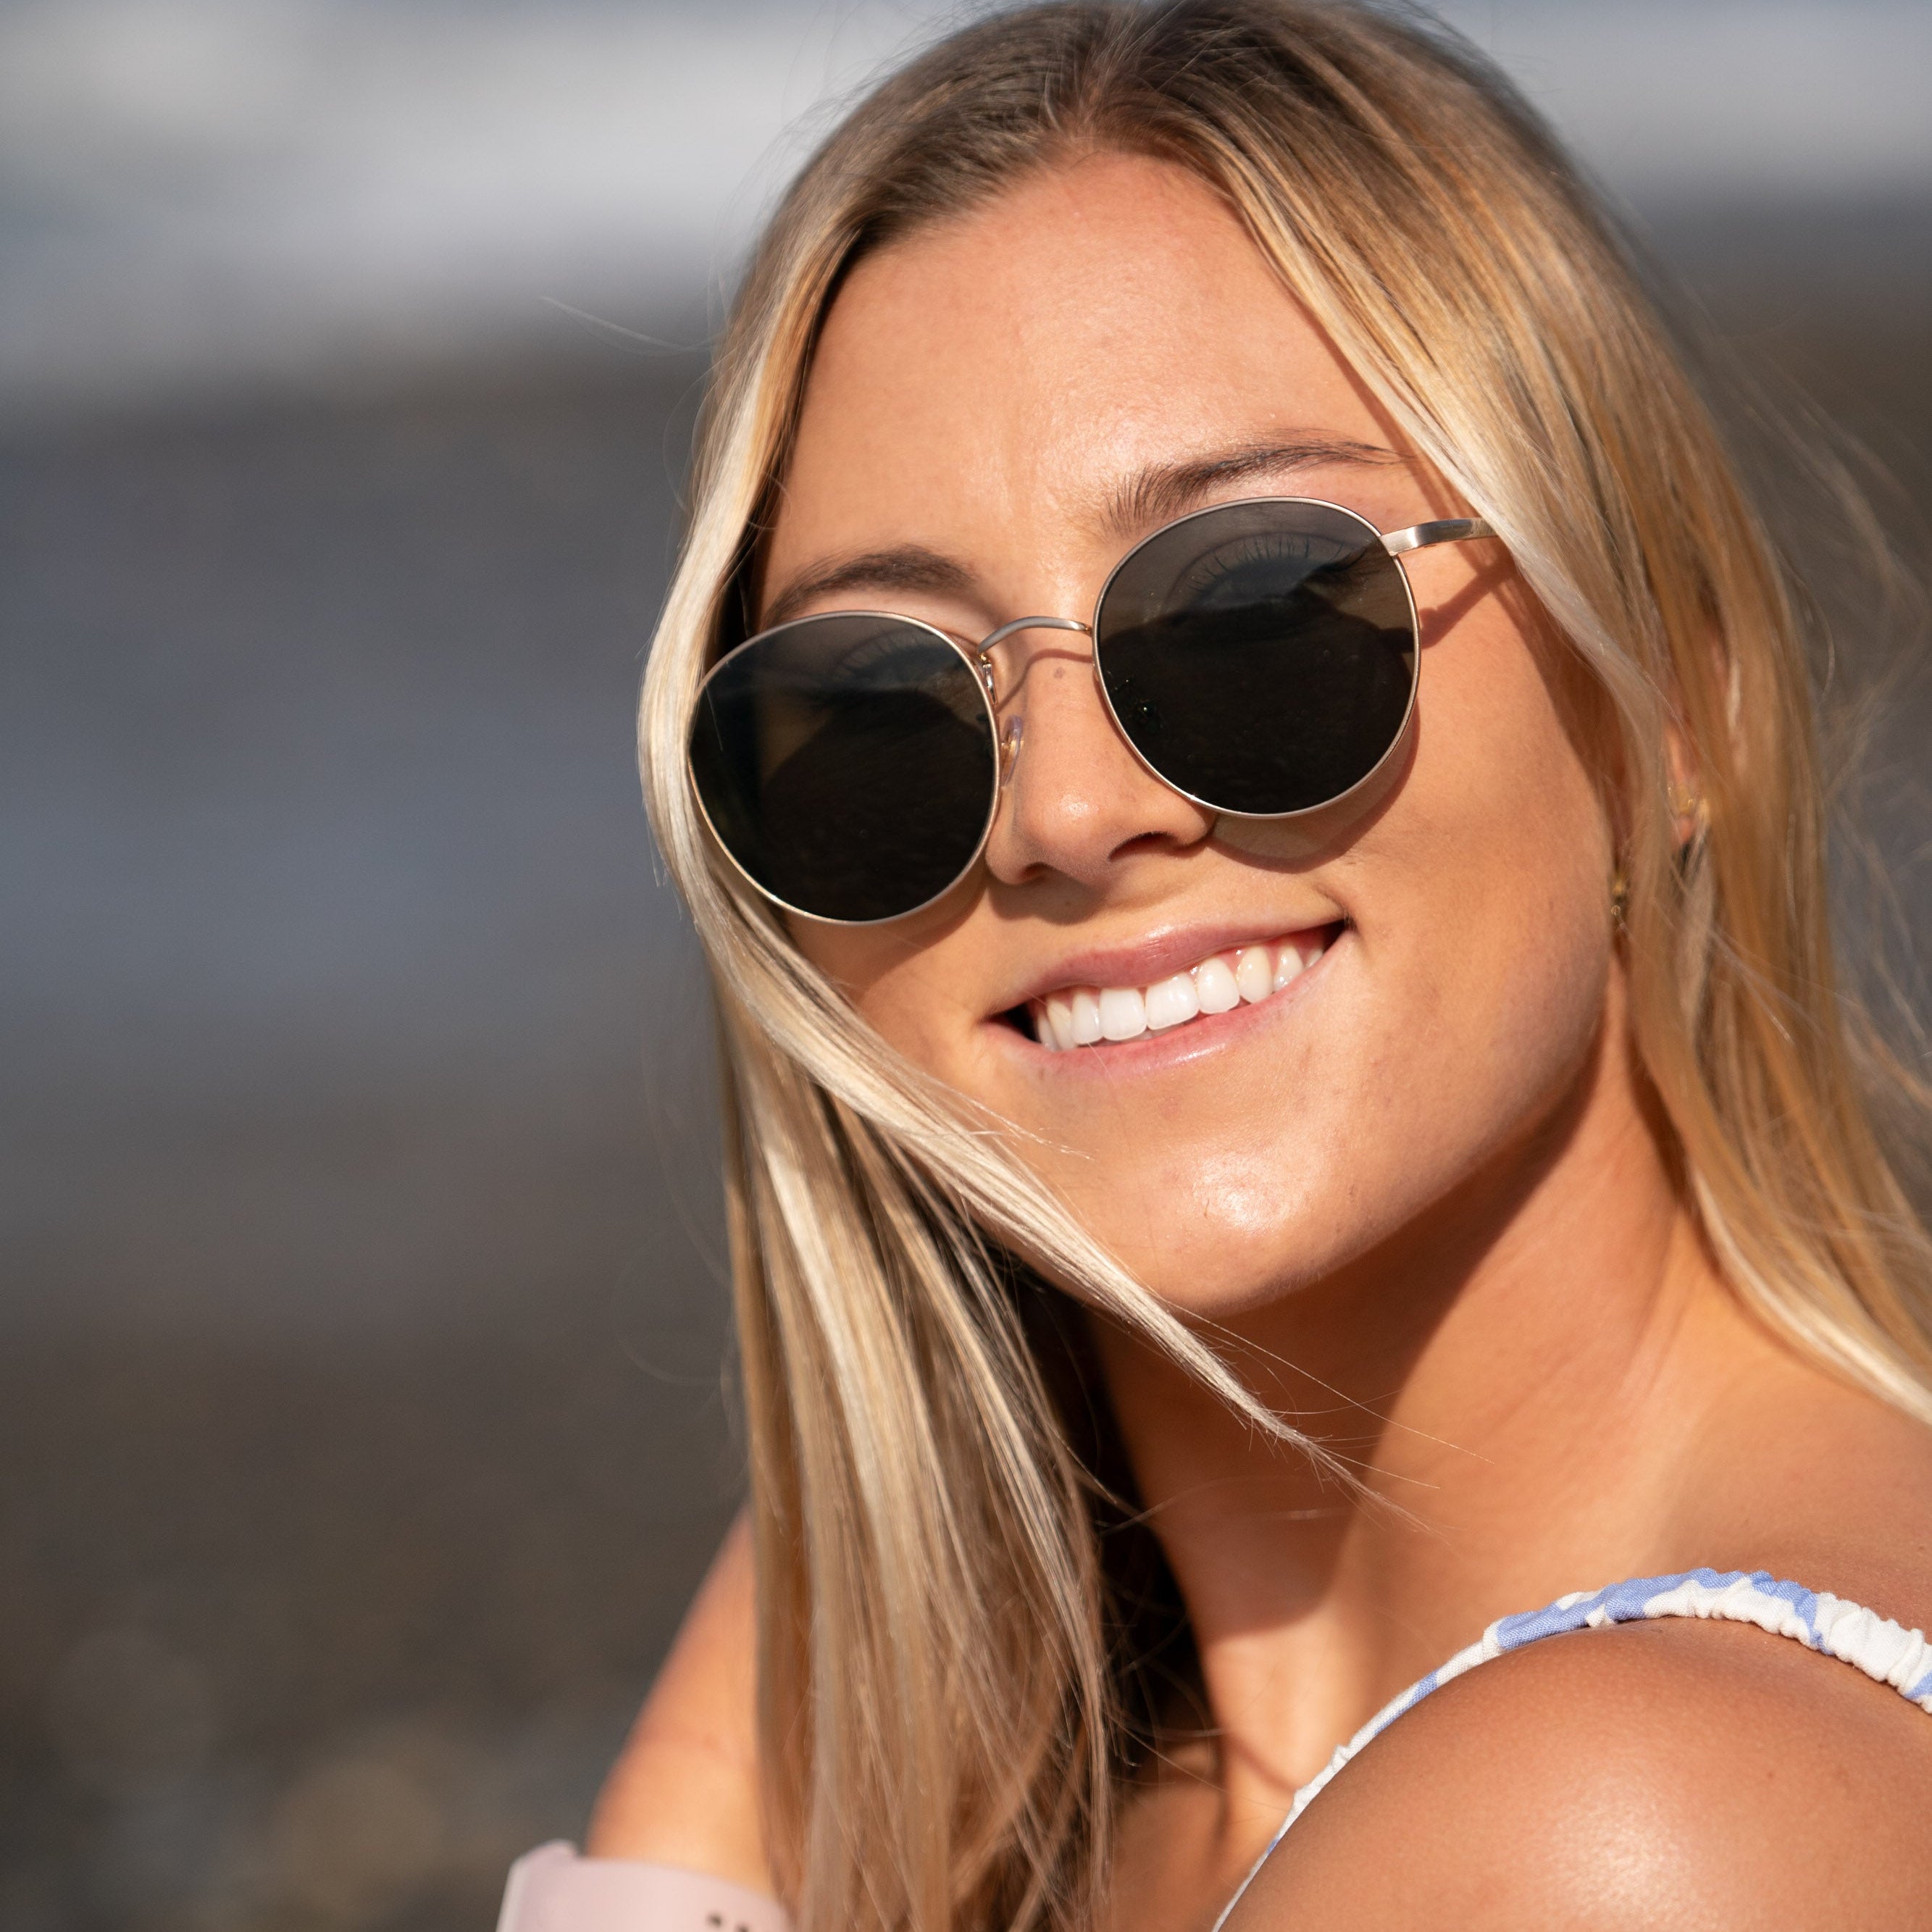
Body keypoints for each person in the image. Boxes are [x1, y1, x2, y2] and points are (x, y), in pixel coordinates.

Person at [498, 4, 1932, 1927]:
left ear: (1675, 700)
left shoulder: (1620, 1831)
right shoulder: (1053, 1778)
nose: (1066, 812)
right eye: (878, 711)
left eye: (1253, 612)